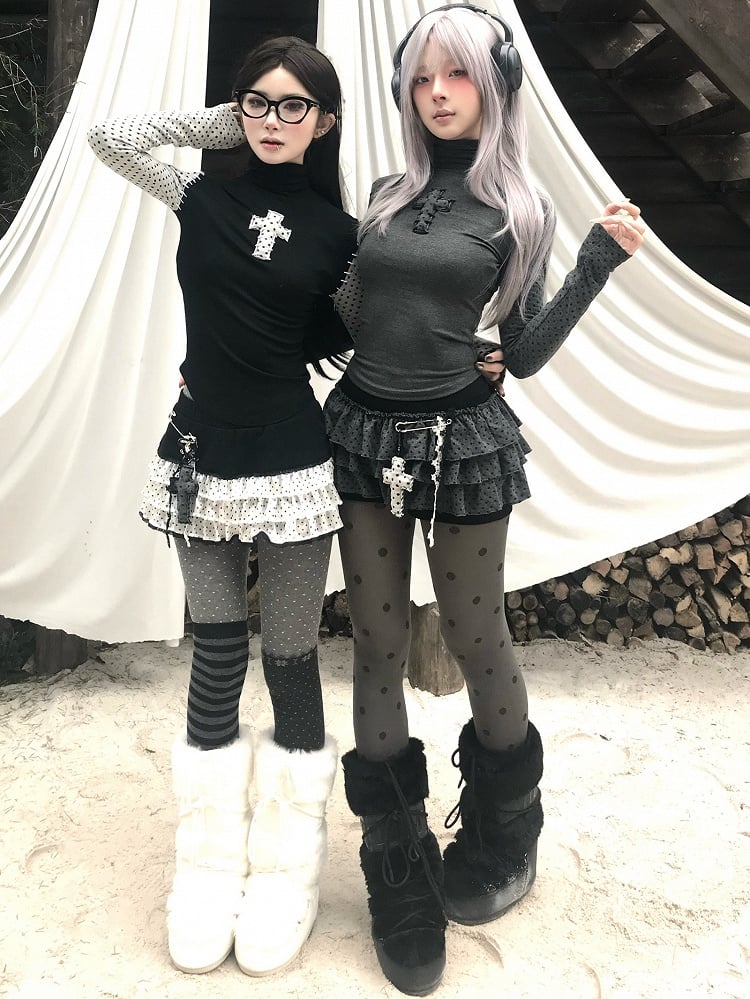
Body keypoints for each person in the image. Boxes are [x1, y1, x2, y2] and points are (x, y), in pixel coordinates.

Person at [324, 5, 646, 995]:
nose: (437, 93)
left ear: (494, 85)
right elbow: (351, 313)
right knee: (377, 641)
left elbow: (528, 350)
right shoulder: (383, 196)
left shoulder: (520, 209)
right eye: (422, 78)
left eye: (457, 74)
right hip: (364, 432)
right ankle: (395, 856)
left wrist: (597, 260)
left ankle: (509, 823)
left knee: (476, 634)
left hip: (463, 443)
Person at [87, 37, 357, 979]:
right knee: (215, 651)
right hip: (200, 454)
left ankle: (286, 870)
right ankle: (207, 864)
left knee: (289, 658)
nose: (274, 120)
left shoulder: (340, 234)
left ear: (326, 121)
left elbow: (373, 333)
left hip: (293, 464)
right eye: (259, 102)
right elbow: (112, 136)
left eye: (295, 106)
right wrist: (227, 125)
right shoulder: (197, 195)